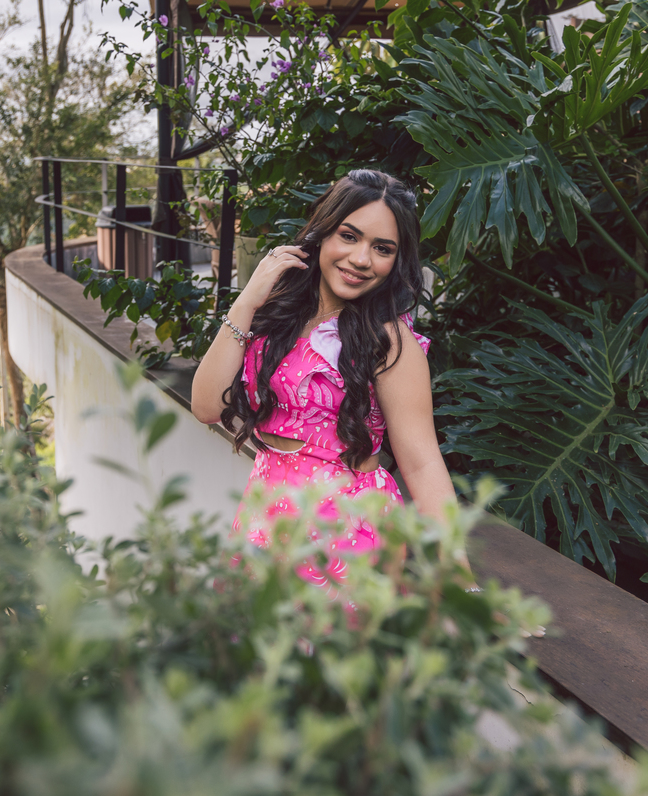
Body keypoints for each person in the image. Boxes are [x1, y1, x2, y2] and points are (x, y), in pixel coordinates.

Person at [191, 169, 464, 589]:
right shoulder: (279, 316)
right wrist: (246, 301)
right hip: (266, 514)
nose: (361, 259)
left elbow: (423, 462)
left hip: (347, 534)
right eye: (349, 236)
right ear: (322, 232)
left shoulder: (388, 340)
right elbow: (206, 406)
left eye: (382, 248)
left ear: (396, 261)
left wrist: (460, 578)